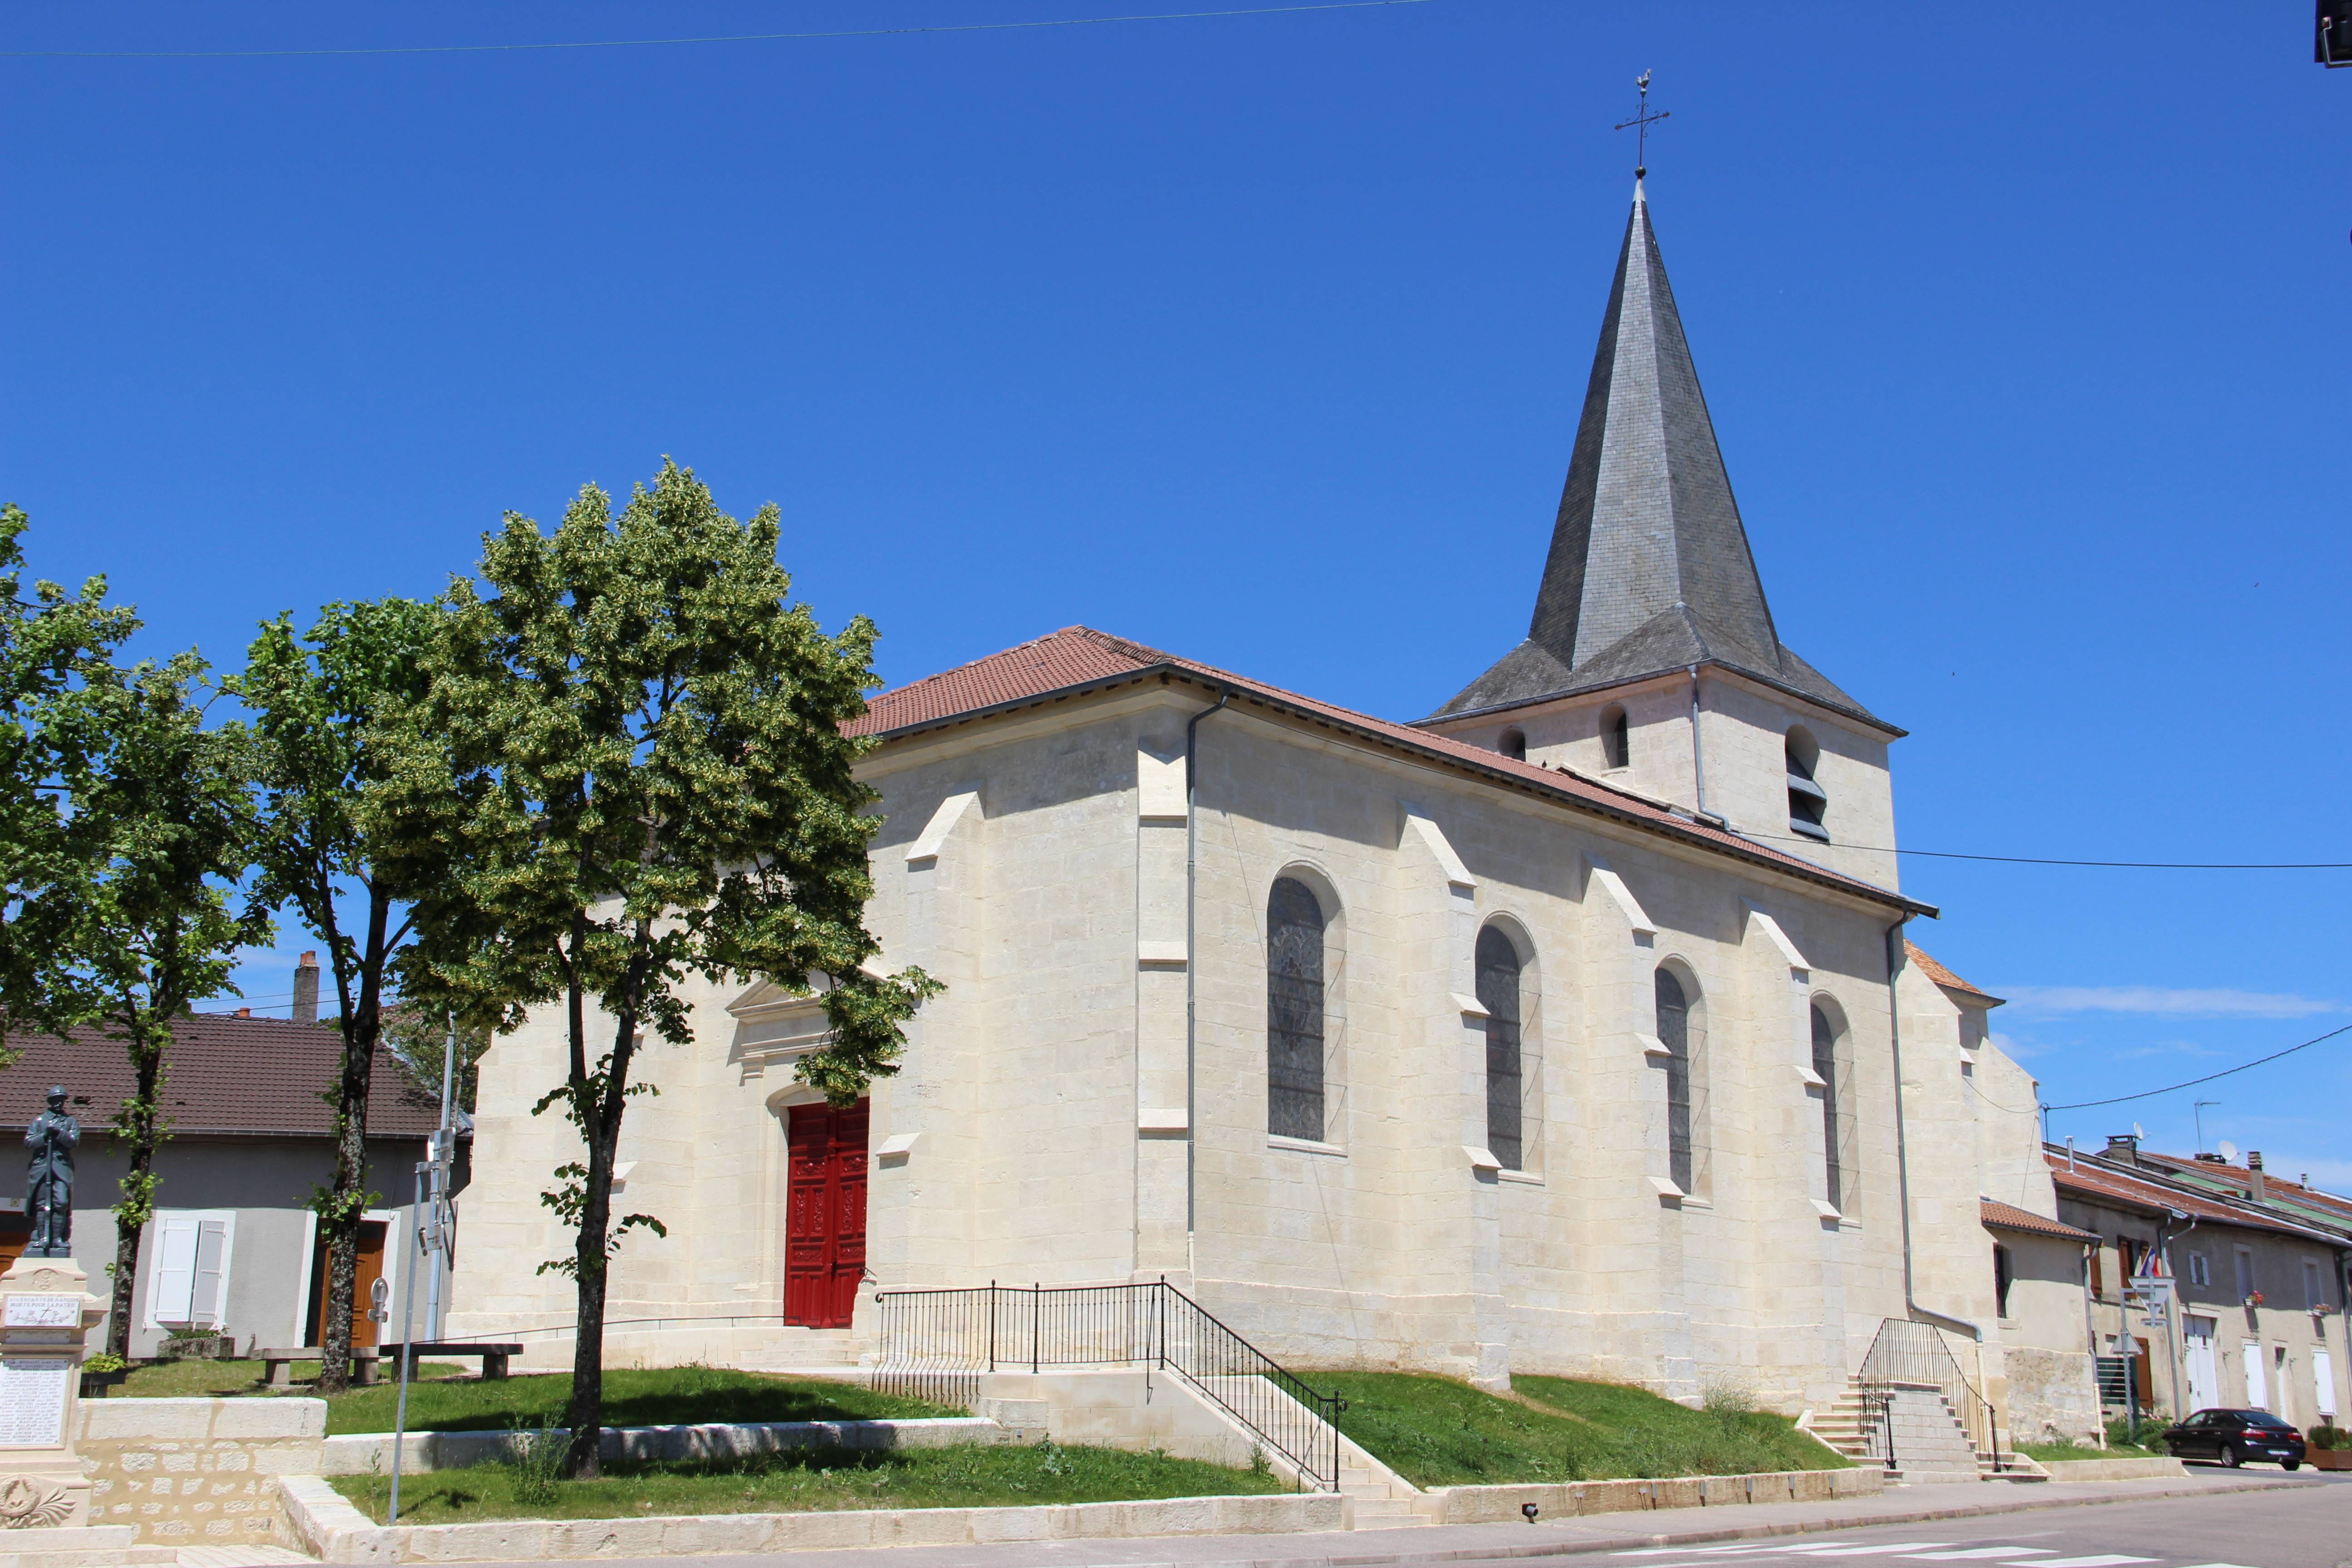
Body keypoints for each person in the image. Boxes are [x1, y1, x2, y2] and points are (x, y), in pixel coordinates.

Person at [24, 1087, 77, 1259]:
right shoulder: (39, 1121)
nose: (59, 1103)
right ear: (50, 1101)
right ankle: (42, 1237)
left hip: (61, 1167)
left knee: (61, 1202)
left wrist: (60, 1133)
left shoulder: (70, 1122)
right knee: (42, 1203)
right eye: (55, 1100)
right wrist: (46, 1134)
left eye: (62, 1100)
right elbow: (29, 1142)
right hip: (41, 1167)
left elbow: (74, 1142)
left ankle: (57, 1239)